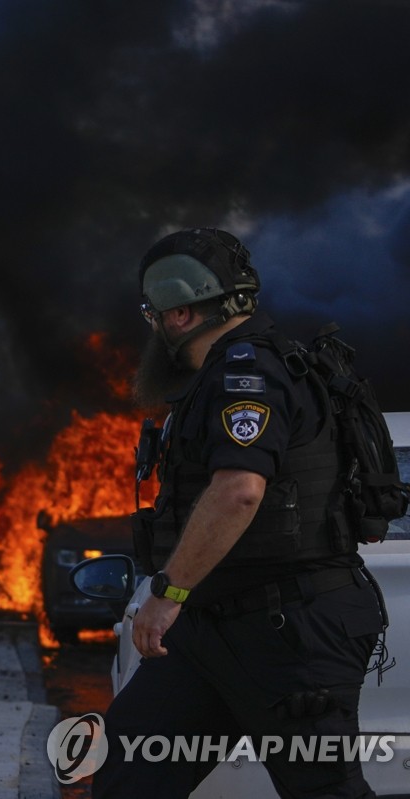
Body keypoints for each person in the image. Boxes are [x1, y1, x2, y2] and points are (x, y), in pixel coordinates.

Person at [96, 228, 388, 798]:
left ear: (179, 313)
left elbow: (239, 491)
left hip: (290, 632)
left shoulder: (245, 375)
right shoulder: (224, 375)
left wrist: (167, 594)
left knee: (324, 789)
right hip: (214, 631)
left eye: (152, 313)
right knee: (128, 770)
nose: (152, 327)